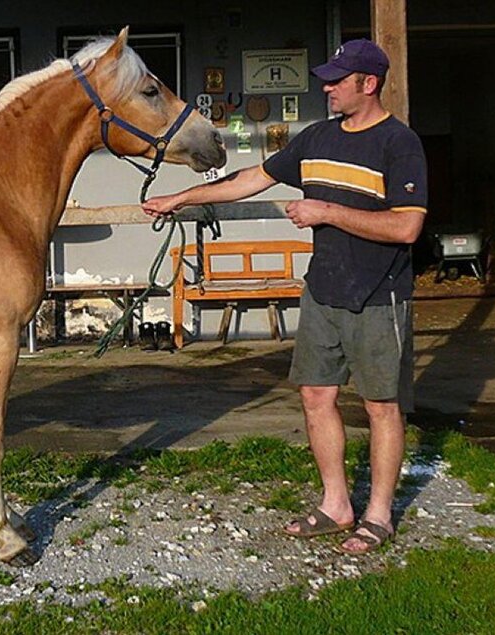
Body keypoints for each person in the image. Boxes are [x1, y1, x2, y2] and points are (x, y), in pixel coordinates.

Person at [142, 39, 427, 554]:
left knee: (381, 406)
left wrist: (326, 213)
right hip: (323, 289)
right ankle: (337, 505)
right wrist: (180, 199)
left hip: (378, 294)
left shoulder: (398, 144)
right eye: (328, 77)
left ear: (370, 83)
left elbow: (407, 228)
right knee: (316, 396)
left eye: (339, 79)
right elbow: (250, 179)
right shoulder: (316, 137)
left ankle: (379, 515)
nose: (328, 86)